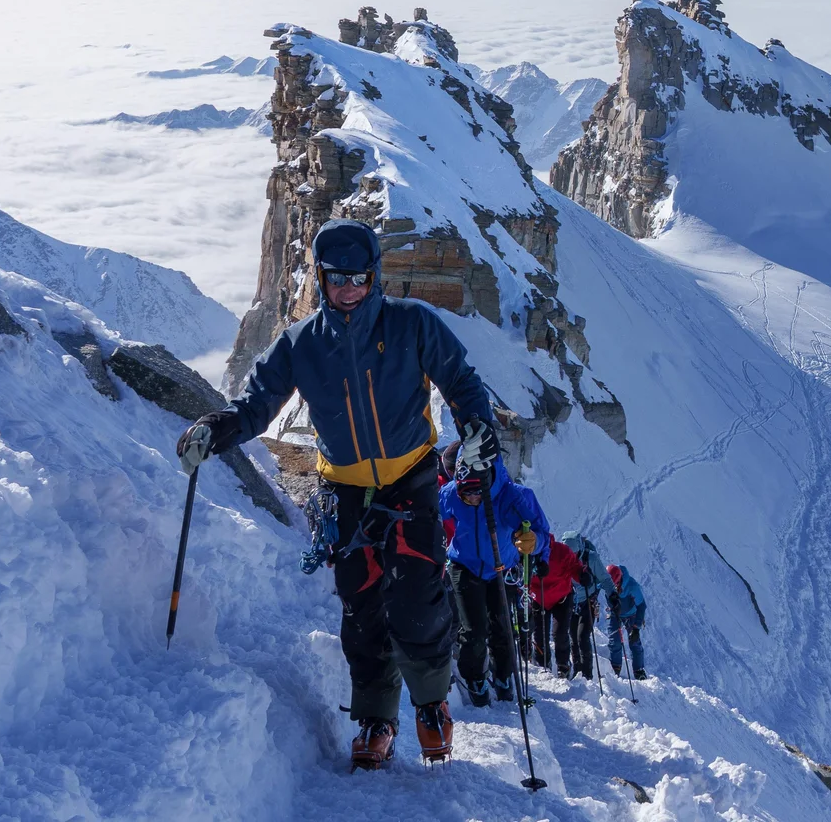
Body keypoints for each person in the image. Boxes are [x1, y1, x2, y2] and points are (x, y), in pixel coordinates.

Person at [176, 218, 503, 770]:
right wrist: (220, 428)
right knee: (363, 607)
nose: (348, 287)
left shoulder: (412, 324)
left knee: (418, 599)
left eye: (358, 276)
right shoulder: (301, 345)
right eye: (336, 277)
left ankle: (431, 706)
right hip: (346, 490)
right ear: (321, 279)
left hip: (412, 478)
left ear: (374, 277)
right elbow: (259, 403)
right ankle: (376, 718)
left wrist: (477, 427)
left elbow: (462, 381)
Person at [438, 452, 548, 707]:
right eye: (467, 494)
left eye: (477, 493)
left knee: (502, 627)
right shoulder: (451, 493)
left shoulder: (511, 497)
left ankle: (503, 675)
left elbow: (540, 531)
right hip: (464, 565)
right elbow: (432, 511)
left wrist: (536, 544)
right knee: (473, 628)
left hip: (502, 568)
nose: (473, 499)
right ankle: (475, 678)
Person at [526, 535, 583, 676]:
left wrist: (582, 574)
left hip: (561, 597)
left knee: (560, 633)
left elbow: (575, 566)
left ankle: (562, 665)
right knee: (540, 634)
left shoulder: (561, 551)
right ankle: (542, 663)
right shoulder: (526, 553)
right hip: (540, 598)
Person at [560, 532, 606, 680]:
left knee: (582, 636)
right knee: (574, 637)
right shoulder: (565, 559)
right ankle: (579, 673)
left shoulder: (591, 558)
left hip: (587, 601)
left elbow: (603, 578)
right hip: (573, 601)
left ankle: (586, 674)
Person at [606, 564, 649, 680]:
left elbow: (641, 605)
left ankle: (639, 670)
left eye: (616, 584)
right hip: (615, 612)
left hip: (631, 614)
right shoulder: (606, 581)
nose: (614, 587)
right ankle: (615, 667)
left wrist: (636, 628)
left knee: (634, 641)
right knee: (614, 640)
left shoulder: (632, 586)